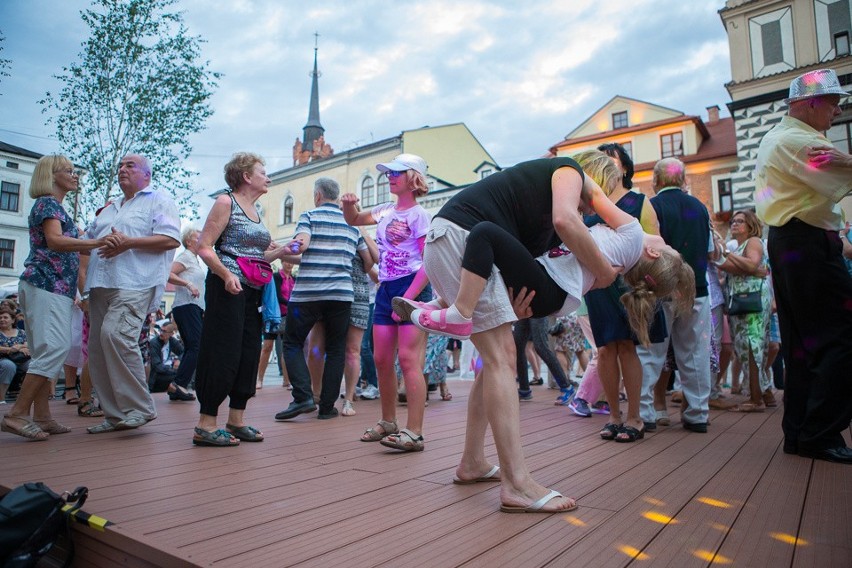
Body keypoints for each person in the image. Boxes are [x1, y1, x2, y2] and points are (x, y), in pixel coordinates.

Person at [395, 153, 624, 513]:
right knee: (502, 358)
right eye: (600, 199)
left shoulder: (539, 213)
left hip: (450, 246)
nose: (592, 209)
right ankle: (517, 484)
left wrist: (511, 304)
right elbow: (568, 220)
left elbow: (515, 254)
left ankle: (472, 461)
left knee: (492, 361)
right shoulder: (569, 170)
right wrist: (605, 273)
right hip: (462, 240)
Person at [754, 68, 852, 464]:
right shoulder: (799, 141)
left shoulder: (782, 137)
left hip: (795, 243)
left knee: (802, 343)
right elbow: (843, 173)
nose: (838, 110)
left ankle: (801, 432)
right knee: (841, 337)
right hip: (806, 244)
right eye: (832, 102)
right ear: (810, 103)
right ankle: (818, 432)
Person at [1, 155, 105, 440]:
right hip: (47, 285)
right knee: (54, 348)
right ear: (51, 175)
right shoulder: (48, 203)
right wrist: (96, 242)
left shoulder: (54, 206)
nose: (75, 175)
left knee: (42, 351)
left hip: (48, 287)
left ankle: (43, 416)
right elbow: (55, 241)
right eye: (68, 171)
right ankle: (17, 414)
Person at [82, 154, 180, 434]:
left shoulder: (158, 200)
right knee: (98, 350)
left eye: (130, 165)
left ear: (147, 174)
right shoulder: (109, 208)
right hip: (101, 284)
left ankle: (140, 408)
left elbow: (171, 239)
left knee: (116, 335)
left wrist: (128, 243)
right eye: (120, 166)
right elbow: (87, 244)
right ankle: (114, 415)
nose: (122, 169)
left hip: (135, 282)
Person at [341, 154, 432, 451]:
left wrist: (408, 298)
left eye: (396, 172)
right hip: (386, 288)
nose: (389, 177)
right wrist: (349, 205)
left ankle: (414, 431)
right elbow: (354, 220)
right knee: (381, 359)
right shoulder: (384, 211)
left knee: (407, 359)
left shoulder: (420, 216)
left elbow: (429, 264)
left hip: (411, 288)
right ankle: (388, 421)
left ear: (414, 178)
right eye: (388, 173)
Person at [193, 152, 277, 446]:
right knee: (222, 349)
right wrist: (225, 275)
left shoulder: (257, 211)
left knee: (248, 350)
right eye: (263, 172)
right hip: (226, 287)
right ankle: (206, 423)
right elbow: (204, 247)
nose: (268, 177)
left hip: (251, 289)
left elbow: (257, 256)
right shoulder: (225, 202)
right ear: (246, 176)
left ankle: (236, 419)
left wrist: (284, 250)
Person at [583, 142, 666, 442]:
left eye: (610, 159)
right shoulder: (589, 203)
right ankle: (614, 416)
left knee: (628, 347)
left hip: (629, 284)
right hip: (597, 283)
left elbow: (655, 244)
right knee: (605, 348)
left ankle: (635, 417)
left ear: (625, 167)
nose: (603, 163)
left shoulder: (640, 201)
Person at [274, 178, 370, 422]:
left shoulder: (309, 215)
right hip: (341, 295)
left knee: (293, 343)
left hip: (308, 293)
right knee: (337, 349)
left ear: (318, 195)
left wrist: (282, 249)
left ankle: (303, 395)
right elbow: (367, 260)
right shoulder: (352, 224)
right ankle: (327, 407)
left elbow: (302, 245)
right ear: (336, 197)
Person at [635, 158, 713, 434]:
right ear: (684, 180)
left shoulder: (652, 207)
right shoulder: (700, 208)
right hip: (697, 289)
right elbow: (711, 251)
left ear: (656, 181)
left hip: (661, 288)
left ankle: (645, 413)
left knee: (651, 352)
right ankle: (697, 414)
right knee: (695, 353)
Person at [715, 210, 771, 412]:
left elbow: (752, 264)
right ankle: (766, 393)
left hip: (752, 301)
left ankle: (756, 400)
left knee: (751, 345)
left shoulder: (753, 242)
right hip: (741, 302)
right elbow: (740, 268)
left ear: (751, 225)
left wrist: (728, 255)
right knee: (747, 347)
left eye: (740, 221)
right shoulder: (739, 247)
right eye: (733, 221)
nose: (734, 224)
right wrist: (747, 267)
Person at [167, 226, 205, 400]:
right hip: (186, 305)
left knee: (194, 346)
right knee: (195, 346)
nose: (202, 240)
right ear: (189, 241)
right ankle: (178, 384)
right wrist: (188, 284)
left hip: (193, 306)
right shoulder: (186, 256)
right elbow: (168, 274)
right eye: (198, 237)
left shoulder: (194, 260)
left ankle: (179, 386)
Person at [0, 306, 28, 405]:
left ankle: (27, 396)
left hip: (21, 359)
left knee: (34, 366)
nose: (2, 319)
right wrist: (10, 349)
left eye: (5, 317)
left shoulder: (21, 332)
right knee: (9, 366)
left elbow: (28, 344)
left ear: (12, 320)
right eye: (0, 318)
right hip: (3, 358)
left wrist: (20, 347)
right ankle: (1, 398)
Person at [147, 322, 184, 393]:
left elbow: (184, 352)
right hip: (156, 378)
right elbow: (157, 367)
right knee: (179, 377)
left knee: (183, 374)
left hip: (166, 372)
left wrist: (179, 360)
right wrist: (173, 371)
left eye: (164, 331)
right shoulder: (154, 343)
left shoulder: (172, 341)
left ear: (171, 334)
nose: (161, 333)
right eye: (161, 330)